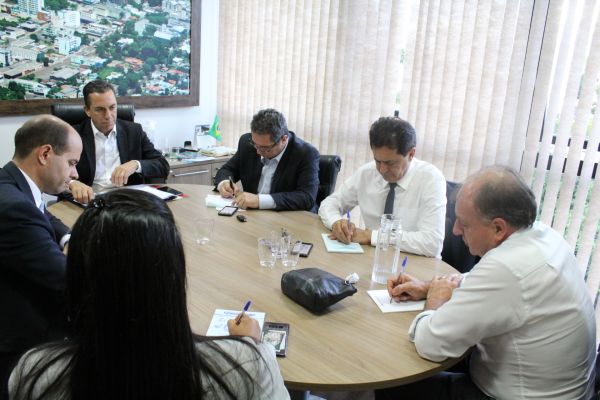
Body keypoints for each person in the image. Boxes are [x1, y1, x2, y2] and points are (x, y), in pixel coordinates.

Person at [8, 190, 290, 400]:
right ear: (173, 274)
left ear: (77, 276)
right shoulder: (247, 366)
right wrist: (249, 345)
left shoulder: (35, 373)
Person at [378, 166, 596, 400]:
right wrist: (429, 286)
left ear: (498, 228)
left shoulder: (507, 268)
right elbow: (487, 282)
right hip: (561, 389)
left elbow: (430, 345)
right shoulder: (543, 236)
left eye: (464, 223)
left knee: (393, 378)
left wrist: (435, 301)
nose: (455, 230)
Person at [0, 115, 82, 400]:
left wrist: (68, 239)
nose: (75, 174)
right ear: (45, 154)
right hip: (20, 345)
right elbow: (68, 279)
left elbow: (43, 214)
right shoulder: (13, 208)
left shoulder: (11, 183)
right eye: (71, 163)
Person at [319, 117, 445, 257]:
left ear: (411, 154)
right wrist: (336, 223)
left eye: (390, 163)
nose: (382, 169)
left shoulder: (431, 179)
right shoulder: (367, 173)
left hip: (415, 263)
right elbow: (329, 204)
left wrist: (372, 236)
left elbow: (432, 243)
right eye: (377, 161)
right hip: (371, 258)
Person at [67, 79, 169, 204]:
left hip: (126, 201)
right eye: (100, 109)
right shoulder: (72, 135)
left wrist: (135, 164)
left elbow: (162, 165)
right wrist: (72, 183)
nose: (108, 116)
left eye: (112, 107)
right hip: (89, 201)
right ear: (87, 111)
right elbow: (53, 174)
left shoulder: (134, 131)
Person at [214, 108, 320, 212]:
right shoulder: (247, 143)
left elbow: (307, 197)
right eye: (255, 144)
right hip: (251, 215)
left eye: (265, 148)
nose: (258, 152)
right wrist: (224, 183)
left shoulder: (306, 153)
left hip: (288, 216)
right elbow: (227, 170)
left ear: (284, 139)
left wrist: (260, 201)